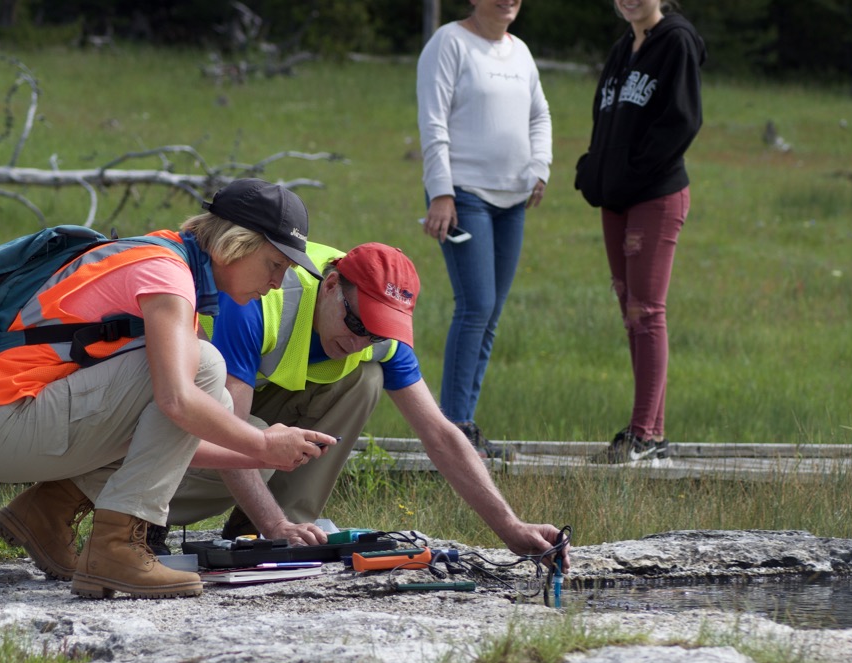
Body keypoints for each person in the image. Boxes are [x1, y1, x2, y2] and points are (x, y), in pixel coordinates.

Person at [0, 178, 336, 600]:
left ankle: (45, 516)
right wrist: (262, 442)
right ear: (237, 243)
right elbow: (177, 399)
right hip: (6, 420)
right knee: (205, 367)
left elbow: (167, 443)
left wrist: (257, 452)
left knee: (202, 378)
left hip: (7, 422)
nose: (277, 282)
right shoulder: (166, 272)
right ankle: (116, 549)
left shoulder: (172, 268)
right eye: (275, 264)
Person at [162, 241, 568, 565]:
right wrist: (274, 524)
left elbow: (440, 435)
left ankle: (279, 532)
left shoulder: (379, 337)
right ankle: (144, 519)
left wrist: (511, 527)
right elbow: (227, 426)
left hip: (246, 407)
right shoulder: (263, 297)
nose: (359, 341)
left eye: (375, 333)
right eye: (356, 323)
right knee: (252, 435)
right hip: (185, 408)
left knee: (366, 378)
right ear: (333, 284)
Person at [416, 0, 552, 460]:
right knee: (475, 305)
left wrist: (540, 166)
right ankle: (452, 428)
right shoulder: (449, 43)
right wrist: (441, 192)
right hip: (464, 194)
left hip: (513, 200)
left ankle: (464, 423)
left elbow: (540, 115)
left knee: (490, 313)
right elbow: (433, 119)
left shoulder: (521, 52)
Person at [574, 0, 705, 463]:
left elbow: (683, 121)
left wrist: (629, 173)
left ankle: (644, 435)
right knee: (631, 311)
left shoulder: (677, 41)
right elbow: (604, 120)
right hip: (617, 199)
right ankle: (652, 434)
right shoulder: (621, 50)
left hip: (655, 195)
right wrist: (595, 171)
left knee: (647, 311)